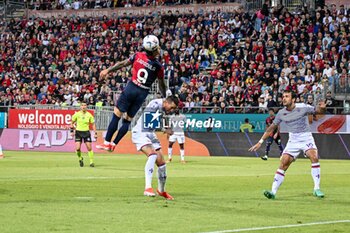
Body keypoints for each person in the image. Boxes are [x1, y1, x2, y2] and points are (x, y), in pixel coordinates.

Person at [249, 90, 326, 199]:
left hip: (306, 138)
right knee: (283, 163)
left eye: (287, 96)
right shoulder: (281, 113)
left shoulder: (303, 107)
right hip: (293, 140)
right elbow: (272, 127)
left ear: (293, 99)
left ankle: (316, 188)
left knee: (314, 157)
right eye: (283, 96)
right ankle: (273, 192)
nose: (284, 98)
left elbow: (318, 111)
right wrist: (260, 142)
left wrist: (322, 107)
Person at [97, 35, 167, 152]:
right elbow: (161, 84)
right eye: (157, 48)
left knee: (117, 115)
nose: (159, 50)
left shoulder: (138, 56)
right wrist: (165, 97)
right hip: (142, 93)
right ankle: (114, 144)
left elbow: (122, 64)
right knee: (128, 120)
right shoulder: (159, 67)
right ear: (153, 50)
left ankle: (106, 143)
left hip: (132, 88)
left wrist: (108, 70)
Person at [131, 96, 179, 200]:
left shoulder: (163, 109)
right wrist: (165, 129)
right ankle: (147, 188)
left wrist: (166, 128)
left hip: (150, 134)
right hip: (140, 133)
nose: (171, 110)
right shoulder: (155, 104)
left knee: (162, 164)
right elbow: (149, 121)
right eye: (171, 107)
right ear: (166, 102)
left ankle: (161, 191)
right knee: (152, 154)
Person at [71, 102, 97, 167]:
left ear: (86, 106)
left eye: (85, 105)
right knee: (77, 148)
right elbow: (71, 123)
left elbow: (93, 124)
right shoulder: (77, 114)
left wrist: (95, 133)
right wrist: (71, 131)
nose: (83, 106)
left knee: (89, 147)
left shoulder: (89, 115)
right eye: (82, 105)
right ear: (80, 107)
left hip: (86, 132)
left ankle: (91, 162)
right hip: (78, 132)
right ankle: (80, 158)